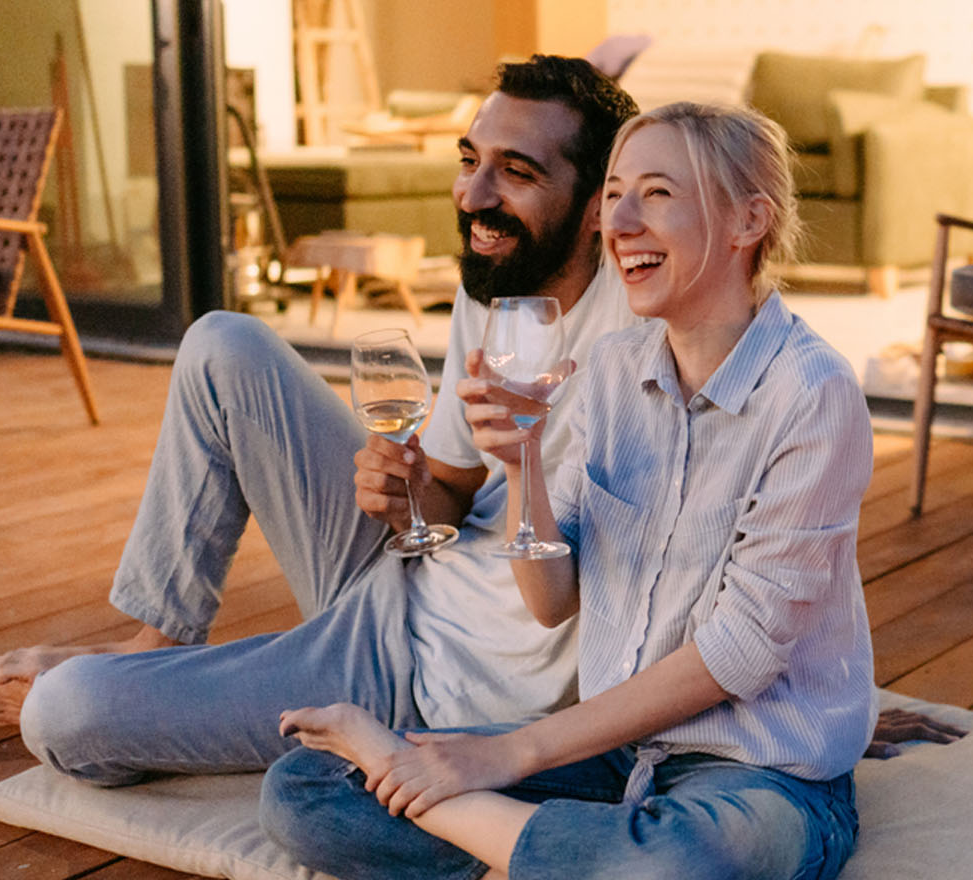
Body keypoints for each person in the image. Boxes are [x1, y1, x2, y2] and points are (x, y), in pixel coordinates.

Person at [0, 56, 640, 775]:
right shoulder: (497, 278)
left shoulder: (648, 333)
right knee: (222, 343)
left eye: (516, 172)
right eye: (470, 160)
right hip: (408, 571)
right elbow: (454, 488)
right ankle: (157, 646)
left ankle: (152, 689)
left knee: (66, 711)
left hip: (424, 679)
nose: (473, 195)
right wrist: (406, 492)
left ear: (598, 206)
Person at [262, 101, 882, 880]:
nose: (618, 221)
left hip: (757, 774)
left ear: (747, 221)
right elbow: (552, 597)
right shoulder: (616, 370)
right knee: (303, 789)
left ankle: (493, 835)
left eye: (656, 193)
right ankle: (551, 853)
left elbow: (742, 653)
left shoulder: (812, 393)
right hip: (614, 750)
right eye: (614, 193)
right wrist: (521, 466)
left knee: (694, 861)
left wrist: (502, 754)